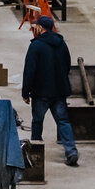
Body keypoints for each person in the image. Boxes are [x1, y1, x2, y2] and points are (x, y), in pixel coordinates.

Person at [20, 15, 79, 166]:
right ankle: (71, 151)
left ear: (40, 27)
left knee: (37, 122)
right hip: (59, 91)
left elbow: (29, 71)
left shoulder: (36, 46)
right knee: (63, 121)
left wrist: (25, 93)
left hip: (41, 93)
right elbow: (67, 65)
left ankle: (35, 154)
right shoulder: (61, 43)